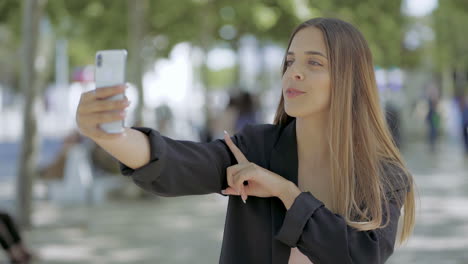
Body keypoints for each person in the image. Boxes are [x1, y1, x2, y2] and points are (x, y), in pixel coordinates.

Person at [75, 17, 415, 264]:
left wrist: (286, 192)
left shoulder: (384, 176)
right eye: (290, 61)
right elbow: (181, 162)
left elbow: (359, 256)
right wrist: (111, 134)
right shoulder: (256, 148)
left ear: (350, 80)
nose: (294, 72)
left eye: (314, 63)